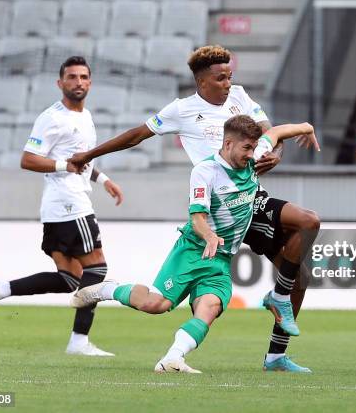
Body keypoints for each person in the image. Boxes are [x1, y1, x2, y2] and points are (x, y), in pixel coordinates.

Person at [69, 45, 321, 372]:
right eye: (221, 78)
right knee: (160, 302)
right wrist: (88, 155)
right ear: (203, 83)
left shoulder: (241, 97)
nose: (229, 83)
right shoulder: (182, 110)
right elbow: (135, 136)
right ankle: (271, 305)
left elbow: (268, 132)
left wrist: (277, 154)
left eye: (230, 76)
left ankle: (275, 353)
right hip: (215, 205)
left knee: (298, 272)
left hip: (248, 199)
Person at [0, 56, 124, 357]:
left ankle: (1, 289)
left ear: (90, 83)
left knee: (70, 279)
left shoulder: (86, 116)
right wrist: (63, 165)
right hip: (69, 203)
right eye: (71, 77)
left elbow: (79, 159)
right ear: (60, 83)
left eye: (83, 77)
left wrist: (102, 178)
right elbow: (28, 159)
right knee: (98, 267)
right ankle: (79, 341)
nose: (78, 82)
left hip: (60, 207)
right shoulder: (52, 118)